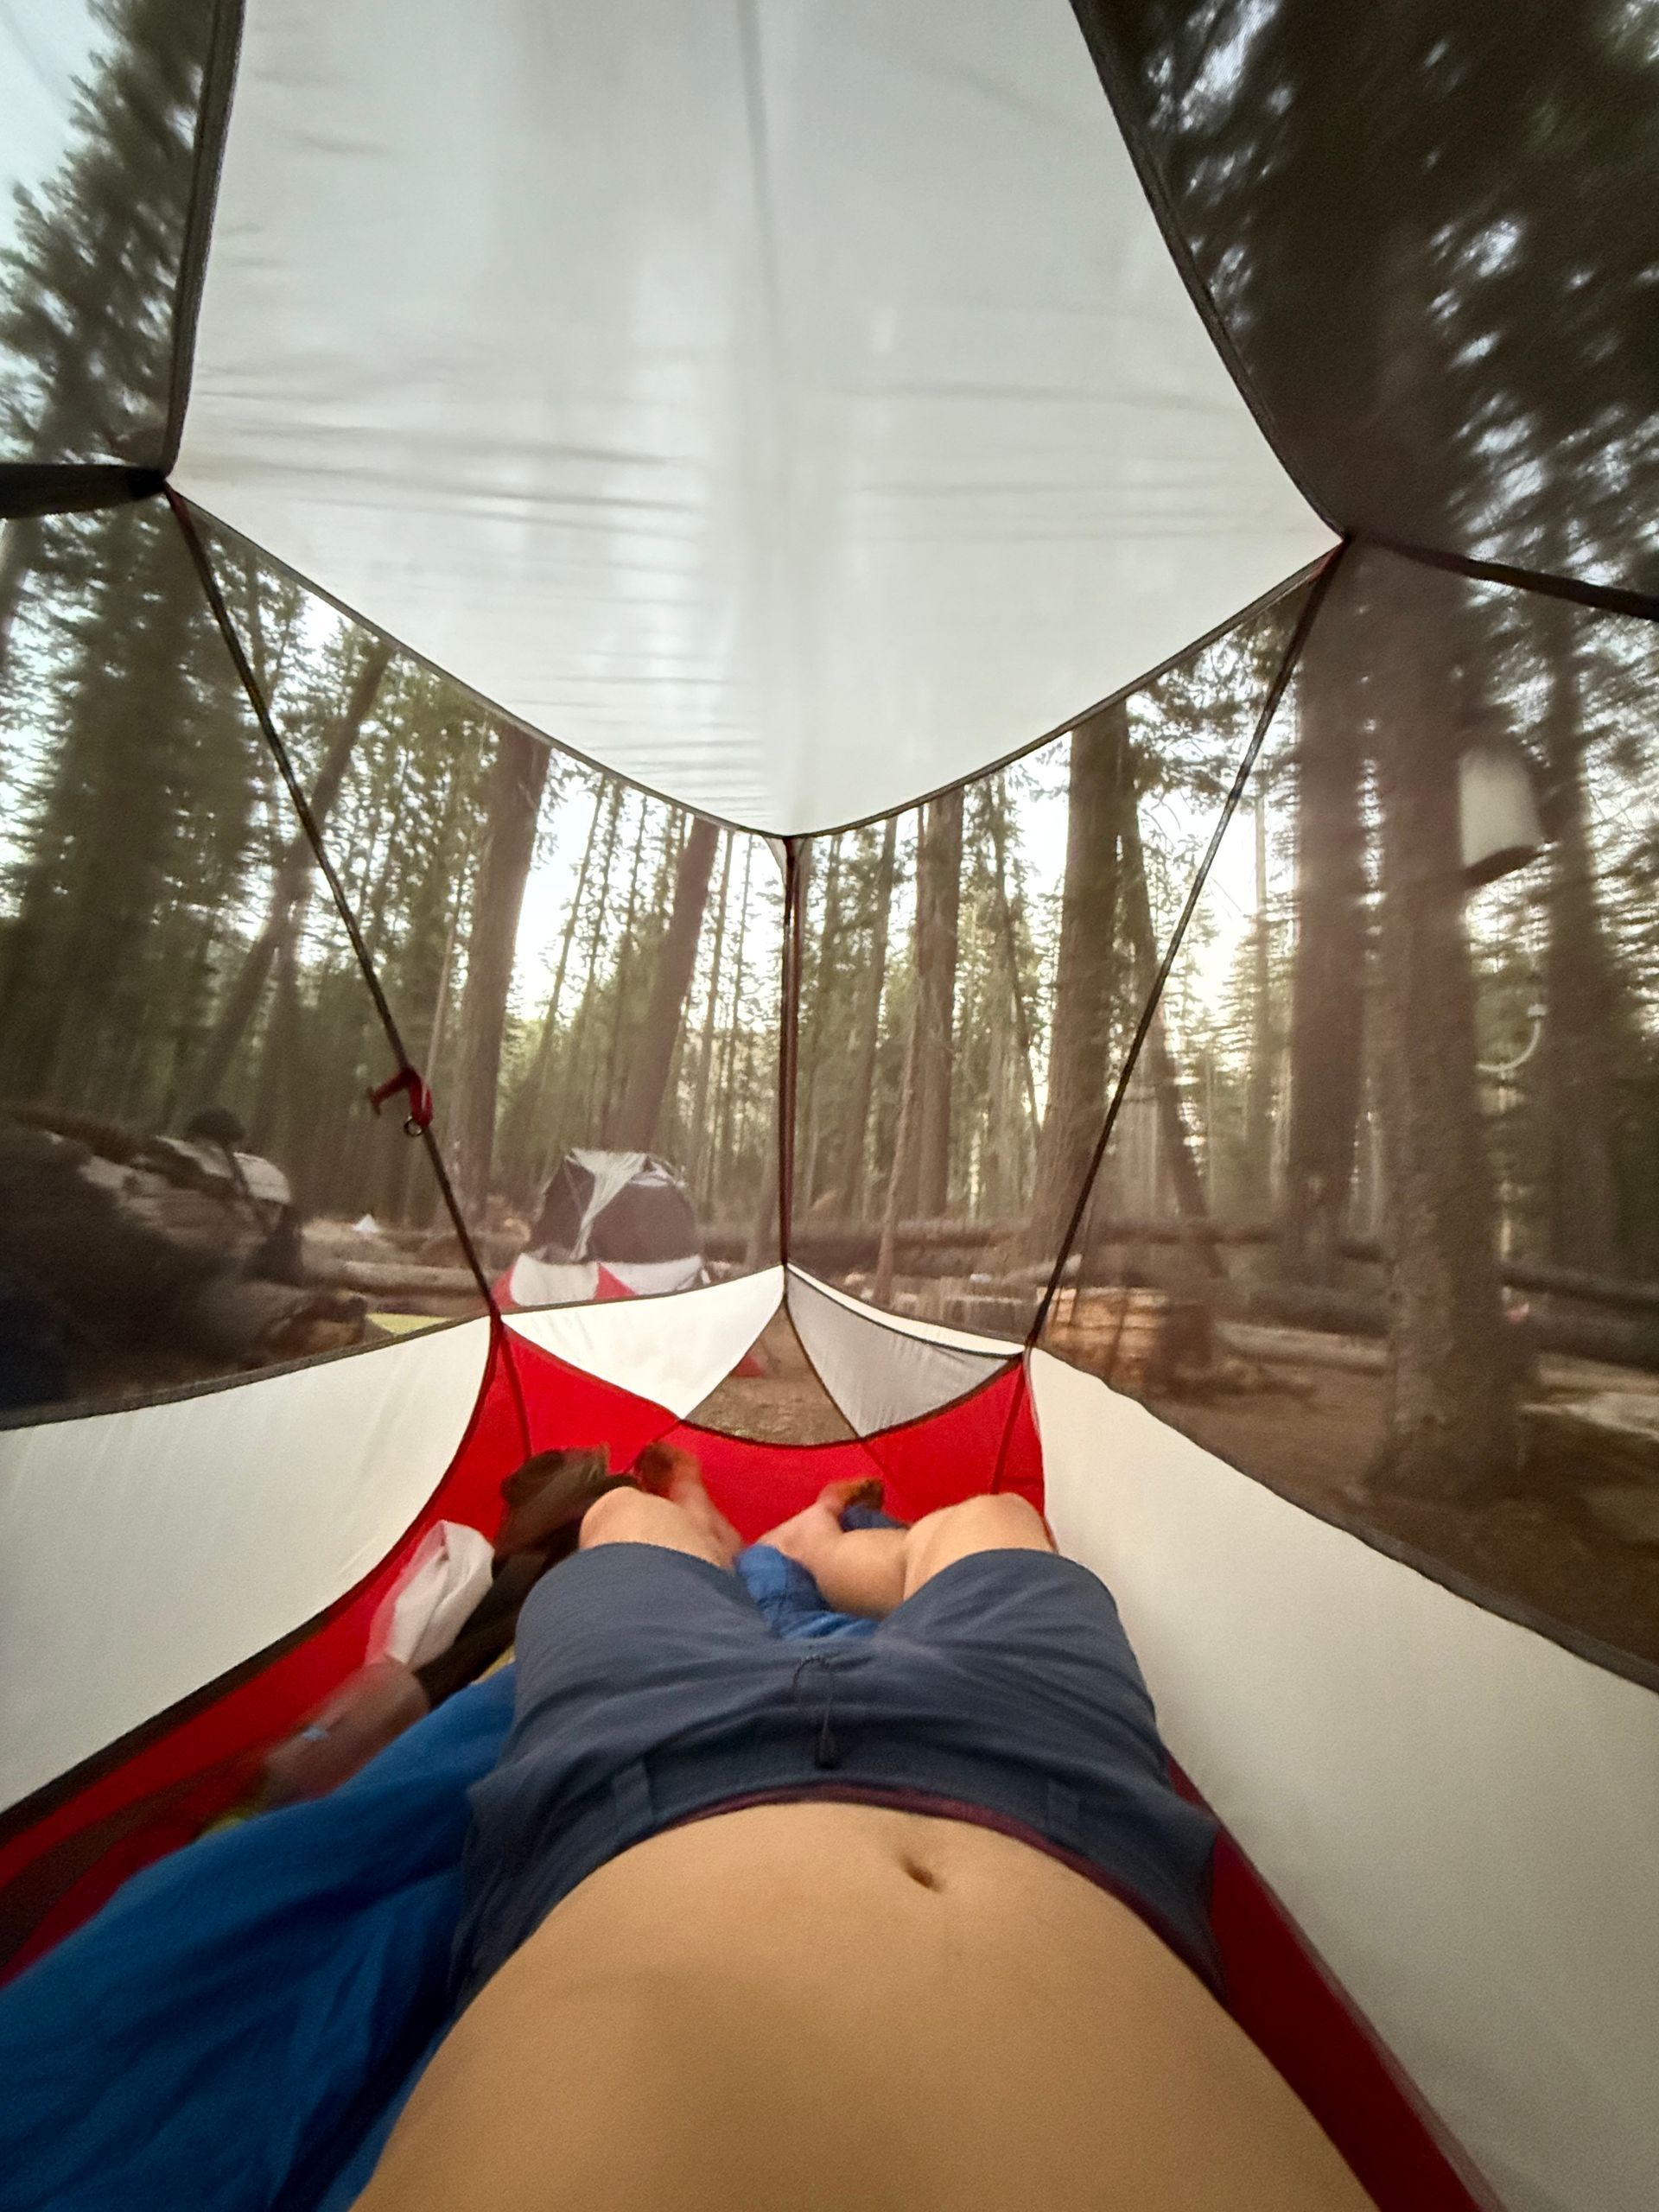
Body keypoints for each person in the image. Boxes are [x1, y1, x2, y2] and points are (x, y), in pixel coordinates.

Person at [356, 1452, 1374, 2211]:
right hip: (1052, 1777)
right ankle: (784, 1546)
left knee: (622, 1517)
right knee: (997, 1518)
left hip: (644, 1768)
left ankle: (777, 1548)